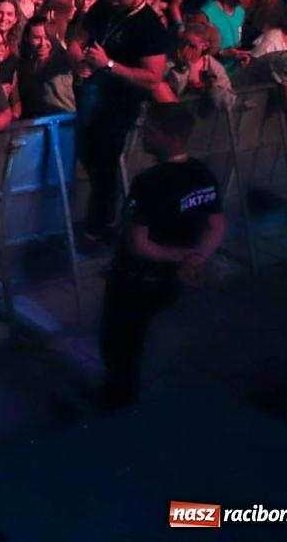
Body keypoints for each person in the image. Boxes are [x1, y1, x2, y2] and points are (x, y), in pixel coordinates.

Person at [99, 104, 225, 408]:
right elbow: (217, 224)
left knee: (120, 345)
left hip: (137, 279)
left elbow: (138, 244)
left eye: (150, 129)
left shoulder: (150, 182)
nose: (143, 133)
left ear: (171, 136)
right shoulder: (202, 173)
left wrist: (183, 256)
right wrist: (196, 258)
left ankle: (119, 408)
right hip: (172, 280)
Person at [69, 0, 170, 245]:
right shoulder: (103, 6)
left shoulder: (150, 26)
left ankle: (99, 226)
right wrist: (78, 61)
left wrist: (109, 65)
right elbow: (76, 40)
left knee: (105, 163)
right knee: (87, 154)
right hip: (89, 91)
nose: (114, 2)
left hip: (119, 103)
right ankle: (103, 219)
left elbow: (152, 78)